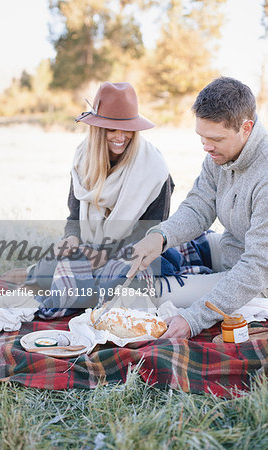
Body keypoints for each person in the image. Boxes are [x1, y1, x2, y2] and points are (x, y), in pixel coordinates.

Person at [127, 76, 268, 338]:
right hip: (232, 249)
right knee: (166, 248)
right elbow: (199, 205)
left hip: (257, 281)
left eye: (215, 138)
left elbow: (257, 267)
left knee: (153, 292)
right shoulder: (219, 155)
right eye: (201, 136)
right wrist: (161, 236)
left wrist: (193, 318)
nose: (206, 147)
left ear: (246, 128)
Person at [20, 81, 174, 316]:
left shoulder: (154, 170)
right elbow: (74, 217)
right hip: (90, 246)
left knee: (120, 279)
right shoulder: (83, 161)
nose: (121, 137)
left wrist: (104, 256)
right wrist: (71, 238)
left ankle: (90, 295)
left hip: (133, 250)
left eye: (128, 129)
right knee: (47, 269)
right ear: (98, 129)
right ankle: (54, 280)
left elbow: (151, 231)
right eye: (112, 129)